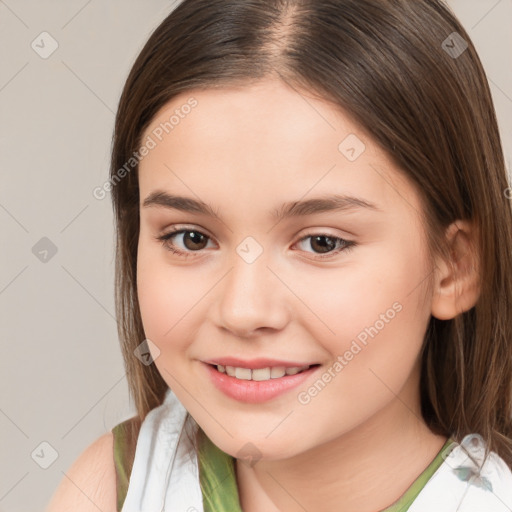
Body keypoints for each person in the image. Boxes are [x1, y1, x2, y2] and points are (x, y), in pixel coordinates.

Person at [47, 0, 512, 510]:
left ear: (455, 266)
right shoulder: (114, 488)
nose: (243, 311)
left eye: (322, 242)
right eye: (191, 238)